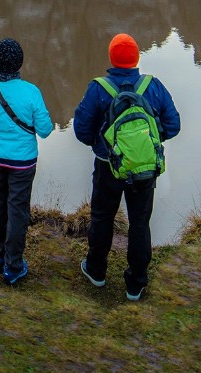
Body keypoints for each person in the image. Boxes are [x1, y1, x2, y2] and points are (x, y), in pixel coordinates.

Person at [73, 32, 180, 300]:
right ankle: (136, 283)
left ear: (111, 58)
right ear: (136, 58)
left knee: (102, 217)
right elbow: (173, 125)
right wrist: (145, 144)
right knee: (140, 222)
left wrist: (102, 145)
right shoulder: (152, 86)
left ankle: (96, 271)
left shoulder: (99, 88)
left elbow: (81, 130)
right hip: (144, 168)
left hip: (107, 166)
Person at [0, 36, 54, 284]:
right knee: (17, 211)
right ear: (20, 64)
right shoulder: (31, 92)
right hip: (22, 164)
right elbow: (45, 130)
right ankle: (13, 266)